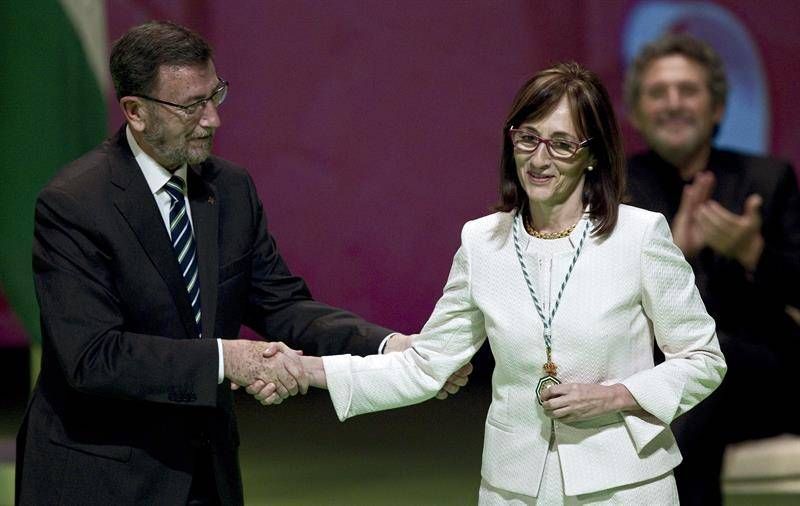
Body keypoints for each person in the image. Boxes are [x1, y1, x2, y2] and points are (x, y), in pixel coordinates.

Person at [15, 21, 469, 505]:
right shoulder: (74, 205)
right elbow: (93, 357)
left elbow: (283, 306)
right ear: (135, 112)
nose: (212, 119)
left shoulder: (229, 189)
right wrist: (226, 359)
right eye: (191, 106)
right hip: (100, 479)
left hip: (206, 475)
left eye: (215, 96)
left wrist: (388, 346)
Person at [252, 62, 727, 503]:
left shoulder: (637, 235)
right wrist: (308, 370)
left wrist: (617, 396)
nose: (540, 159)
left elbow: (703, 359)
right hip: (513, 487)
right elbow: (426, 366)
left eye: (562, 144)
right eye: (528, 139)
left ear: (592, 156)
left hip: (627, 485)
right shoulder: (482, 242)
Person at [624, 33, 800, 506]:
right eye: (657, 93)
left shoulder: (768, 179)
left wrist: (753, 253)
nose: (673, 103)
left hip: (765, 379)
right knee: (692, 391)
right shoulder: (617, 190)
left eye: (689, 90)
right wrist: (674, 259)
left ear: (718, 107)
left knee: (706, 363)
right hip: (663, 377)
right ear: (637, 113)